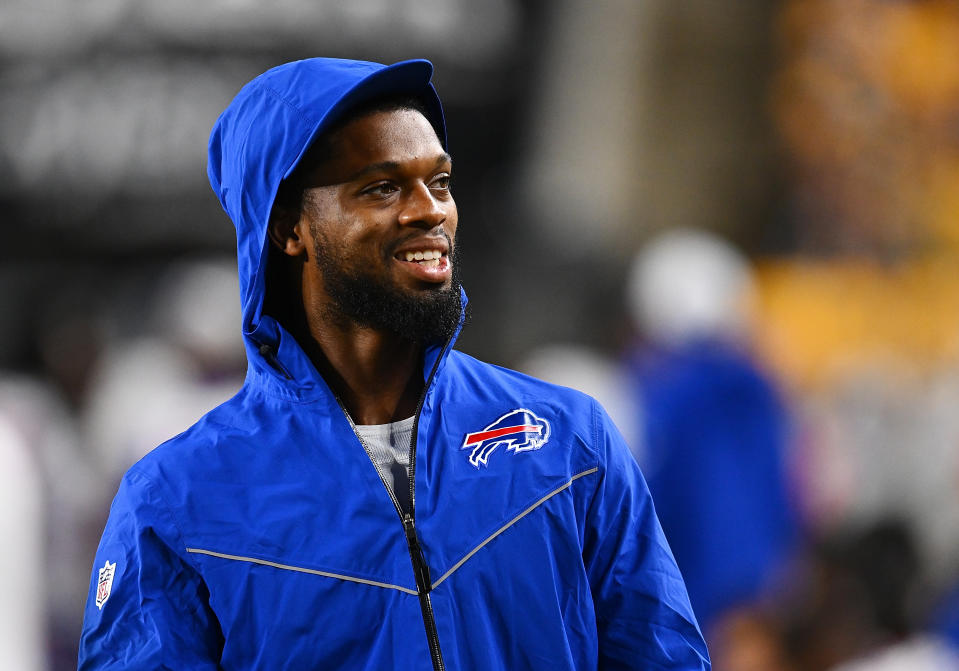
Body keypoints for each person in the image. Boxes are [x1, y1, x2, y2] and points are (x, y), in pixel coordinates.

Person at [78, 57, 709, 670]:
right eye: (381, 187)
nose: (429, 209)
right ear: (287, 227)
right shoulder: (177, 500)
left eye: (438, 182)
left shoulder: (568, 441)